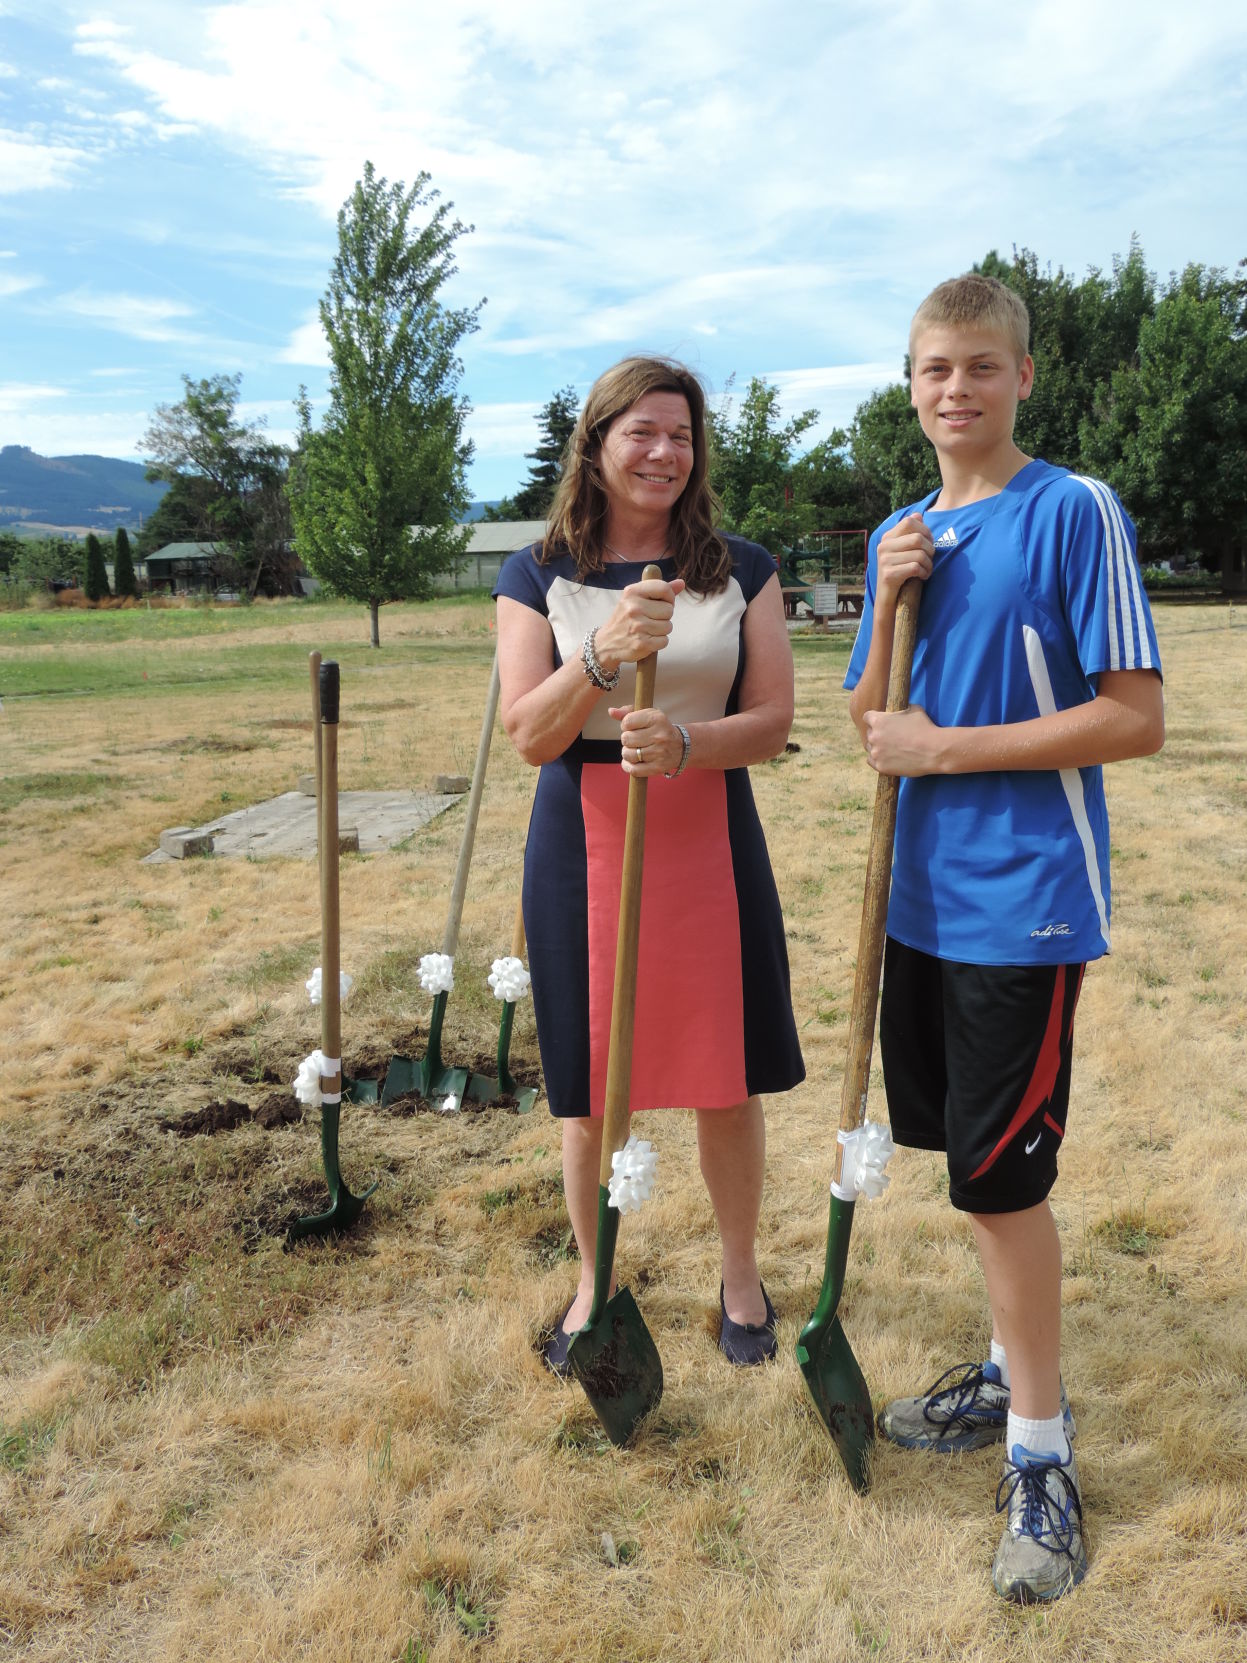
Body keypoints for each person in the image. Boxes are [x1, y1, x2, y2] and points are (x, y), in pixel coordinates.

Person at [844, 274, 1164, 1603]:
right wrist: (888, 584)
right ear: (908, 383)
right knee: (963, 1164)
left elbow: (1132, 714)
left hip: (1021, 902)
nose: (953, 390)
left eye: (978, 366)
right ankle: (997, 1361)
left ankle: (1038, 1449)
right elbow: (870, 713)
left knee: (999, 1183)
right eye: (931, 369)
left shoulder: (1071, 510)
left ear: (1020, 377)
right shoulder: (899, 530)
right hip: (913, 905)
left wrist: (945, 747)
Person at [493, 355, 805, 1374]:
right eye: (642, 432)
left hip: (704, 832)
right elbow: (528, 734)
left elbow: (769, 723)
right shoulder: (537, 571)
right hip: (581, 839)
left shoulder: (741, 568)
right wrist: (598, 655)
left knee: (725, 1075)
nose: (663, 452)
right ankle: (596, 1278)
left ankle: (739, 1274)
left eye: (680, 435)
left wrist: (684, 745)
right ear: (596, 442)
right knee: (590, 1086)